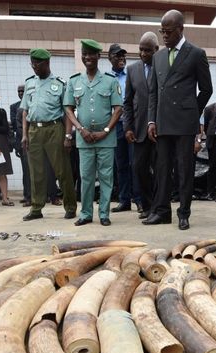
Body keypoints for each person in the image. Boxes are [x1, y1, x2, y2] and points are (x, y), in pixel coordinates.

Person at [144, 9, 213, 230]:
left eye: (169, 31)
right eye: (162, 31)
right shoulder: (158, 56)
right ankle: (162, 211)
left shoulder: (196, 53)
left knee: (184, 170)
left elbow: (206, 89)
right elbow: (153, 92)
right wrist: (151, 121)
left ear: (181, 29)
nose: (164, 36)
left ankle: (184, 213)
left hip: (184, 123)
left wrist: (193, 111)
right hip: (163, 122)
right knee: (162, 169)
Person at [64, 39, 123, 226]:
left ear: (98, 56)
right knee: (86, 177)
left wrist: (106, 130)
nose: (87, 57)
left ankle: (104, 214)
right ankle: (86, 214)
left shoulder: (110, 81)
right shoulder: (74, 81)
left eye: (91, 54)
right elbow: (68, 108)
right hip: (84, 139)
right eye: (85, 53)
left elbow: (118, 109)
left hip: (106, 139)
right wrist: (80, 129)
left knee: (106, 177)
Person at [20, 48, 77, 221]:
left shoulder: (60, 83)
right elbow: (25, 111)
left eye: (37, 64)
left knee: (62, 170)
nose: (34, 67)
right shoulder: (29, 83)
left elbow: (67, 111)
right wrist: (24, 134)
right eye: (32, 64)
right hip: (34, 131)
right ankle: (36, 208)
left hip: (54, 129)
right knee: (36, 172)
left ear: (47, 63)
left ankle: (70, 207)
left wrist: (68, 136)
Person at [124, 32, 159, 219]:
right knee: (139, 168)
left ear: (156, 50)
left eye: (147, 50)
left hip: (160, 131)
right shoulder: (132, 70)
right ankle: (147, 205)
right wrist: (128, 127)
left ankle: (159, 207)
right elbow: (127, 102)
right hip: (138, 130)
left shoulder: (163, 68)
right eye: (141, 49)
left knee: (161, 171)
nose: (143, 53)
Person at [107, 43, 139, 214]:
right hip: (115, 127)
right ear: (109, 58)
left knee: (136, 163)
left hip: (131, 126)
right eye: (117, 56)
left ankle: (139, 200)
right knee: (121, 166)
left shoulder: (132, 75)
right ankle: (124, 200)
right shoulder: (106, 78)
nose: (121, 59)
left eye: (123, 56)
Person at [10, 84, 30, 206]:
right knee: (26, 171)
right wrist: (17, 145)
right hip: (22, 142)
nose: (21, 93)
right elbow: (14, 126)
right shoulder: (15, 107)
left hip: (37, 142)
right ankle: (27, 195)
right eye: (19, 91)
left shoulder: (33, 104)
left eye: (23, 91)